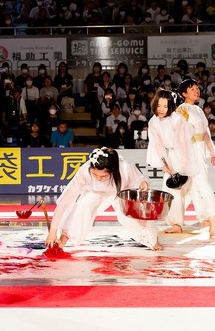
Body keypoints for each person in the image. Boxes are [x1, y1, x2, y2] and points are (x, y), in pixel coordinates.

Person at [45, 147, 162, 251]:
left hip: (120, 192)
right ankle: (64, 238)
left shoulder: (124, 167)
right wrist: (52, 232)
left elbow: (139, 178)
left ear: (112, 171)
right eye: (95, 175)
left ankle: (151, 239)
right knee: (83, 206)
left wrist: (143, 184)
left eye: (103, 176)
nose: (99, 179)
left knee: (128, 215)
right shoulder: (84, 171)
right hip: (95, 193)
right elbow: (64, 201)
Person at [147, 89, 196, 234]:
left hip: (183, 152)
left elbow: (182, 143)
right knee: (172, 189)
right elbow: (157, 144)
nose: (161, 110)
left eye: (165, 106)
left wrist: (181, 165)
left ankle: (206, 217)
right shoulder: (153, 122)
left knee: (190, 188)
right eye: (159, 106)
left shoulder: (177, 120)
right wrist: (165, 163)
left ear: (170, 106)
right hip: (169, 155)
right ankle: (176, 223)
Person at [172, 80, 215, 236]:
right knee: (200, 184)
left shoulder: (198, 109)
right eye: (192, 89)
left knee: (200, 184)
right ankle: (211, 219)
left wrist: (212, 152)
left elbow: (205, 132)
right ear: (184, 93)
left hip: (199, 149)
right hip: (188, 150)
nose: (196, 91)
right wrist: (182, 156)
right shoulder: (181, 110)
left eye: (197, 88)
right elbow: (179, 135)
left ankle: (206, 218)